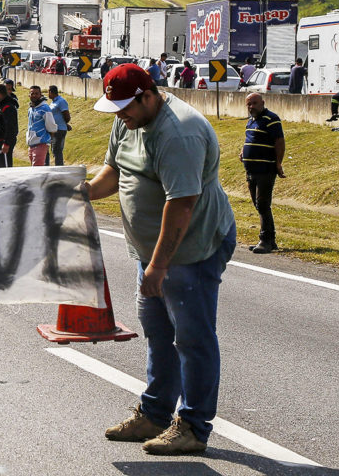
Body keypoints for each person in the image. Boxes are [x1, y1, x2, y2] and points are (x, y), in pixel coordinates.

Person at [89, 63, 235, 456]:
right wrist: (81, 191)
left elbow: (182, 204)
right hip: (152, 252)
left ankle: (192, 426)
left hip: (190, 250)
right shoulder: (129, 120)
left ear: (148, 94)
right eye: (116, 109)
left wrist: (158, 267)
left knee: (192, 338)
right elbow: (113, 173)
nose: (120, 116)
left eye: (126, 108)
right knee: (158, 332)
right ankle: (154, 414)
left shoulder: (179, 132)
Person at [239, 93, 285, 254]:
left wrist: (278, 163)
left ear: (262, 103)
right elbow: (249, 139)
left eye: (254, 103)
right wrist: (243, 152)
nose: (251, 107)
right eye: (249, 104)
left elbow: (279, 141)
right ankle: (270, 240)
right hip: (251, 170)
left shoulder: (271, 119)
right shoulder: (251, 121)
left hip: (265, 169)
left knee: (263, 204)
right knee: (258, 204)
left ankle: (266, 240)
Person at [25, 86, 54, 166]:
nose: (34, 95)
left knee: (37, 169)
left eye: (36, 94)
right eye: (32, 93)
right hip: (31, 143)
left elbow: (51, 127)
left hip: (41, 143)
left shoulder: (45, 108)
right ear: (29, 95)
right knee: (34, 168)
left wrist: (46, 139)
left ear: (40, 95)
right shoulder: (31, 109)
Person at [0, 83, 17, 168]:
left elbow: (10, 127)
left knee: (4, 166)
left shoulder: (8, 107)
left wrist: (6, 143)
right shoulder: (0, 106)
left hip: (3, 141)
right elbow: (1, 120)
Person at [47, 85, 71, 166]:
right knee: (54, 150)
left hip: (59, 129)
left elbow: (66, 115)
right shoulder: (53, 102)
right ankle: (58, 166)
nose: (48, 94)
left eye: (48, 92)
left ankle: (59, 167)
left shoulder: (61, 101)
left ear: (51, 92)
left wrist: (64, 123)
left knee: (57, 149)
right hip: (54, 129)